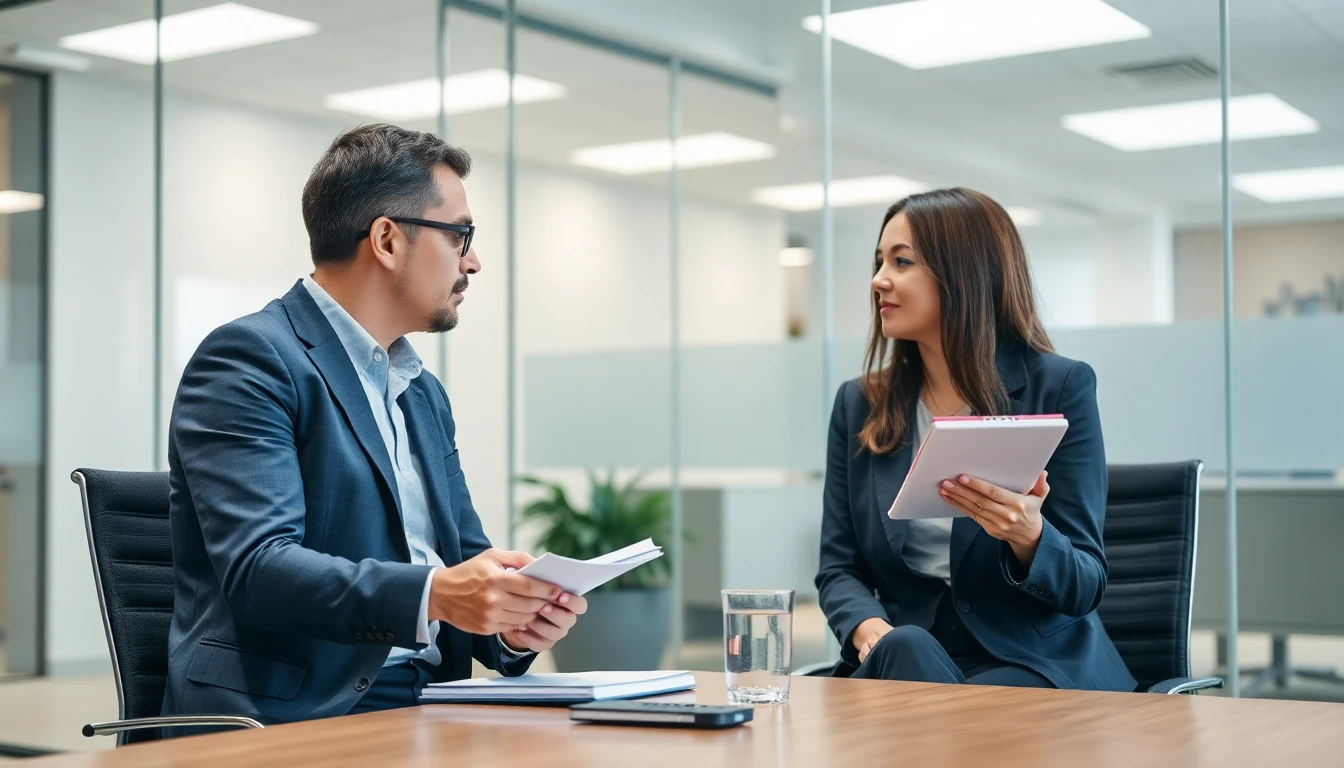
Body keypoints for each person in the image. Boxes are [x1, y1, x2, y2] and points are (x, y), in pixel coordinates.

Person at [161, 124, 587, 727]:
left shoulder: (421, 393)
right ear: (387, 240)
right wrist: (436, 593)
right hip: (296, 713)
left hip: (433, 703)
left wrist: (514, 622)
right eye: (460, 234)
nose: (473, 260)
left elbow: (463, 557)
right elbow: (260, 568)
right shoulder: (251, 358)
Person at [815, 187, 1135, 691]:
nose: (879, 280)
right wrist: (866, 629)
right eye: (879, 262)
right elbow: (839, 567)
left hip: (1029, 660)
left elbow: (1085, 583)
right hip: (904, 653)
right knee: (908, 646)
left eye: (902, 262)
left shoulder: (1059, 387)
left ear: (963, 274)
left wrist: (1028, 536)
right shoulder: (860, 404)